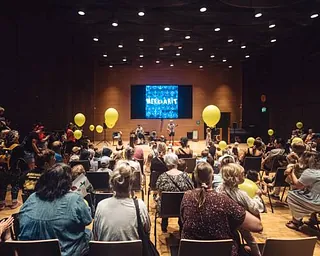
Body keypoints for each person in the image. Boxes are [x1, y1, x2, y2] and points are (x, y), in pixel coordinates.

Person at [181, 162, 263, 256]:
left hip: (191, 252)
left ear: (195, 178)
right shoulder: (223, 200)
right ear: (212, 177)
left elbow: (183, 219)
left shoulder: (186, 196)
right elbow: (258, 226)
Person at [19, 164, 92, 256]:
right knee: (88, 233)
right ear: (67, 182)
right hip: (66, 252)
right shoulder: (74, 198)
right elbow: (87, 220)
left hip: (31, 251)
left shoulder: (32, 198)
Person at [93, 161, 150, 241]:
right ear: (131, 184)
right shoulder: (140, 206)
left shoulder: (101, 205)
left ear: (112, 184)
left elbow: (96, 234)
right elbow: (147, 231)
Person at [218, 163, 264, 256]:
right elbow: (255, 208)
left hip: (226, 220)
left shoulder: (219, 188)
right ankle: (257, 254)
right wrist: (257, 197)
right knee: (250, 239)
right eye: (242, 174)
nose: (245, 176)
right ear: (235, 178)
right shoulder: (241, 194)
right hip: (240, 221)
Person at [156, 153, 194, 232]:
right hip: (183, 208)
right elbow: (191, 190)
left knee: (163, 200)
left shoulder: (162, 177)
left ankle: (164, 225)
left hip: (165, 209)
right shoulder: (186, 176)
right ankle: (181, 225)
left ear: (167, 164)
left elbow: (159, 193)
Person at [285, 152, 320, 230]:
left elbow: (298, 185)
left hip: (316, 202)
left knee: (291, 195)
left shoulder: (310, 172)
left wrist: (292, 173)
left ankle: (296, 222)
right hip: (317, 199)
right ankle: (313, 219)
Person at [0, 130, 23, 210]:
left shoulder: (2, 145)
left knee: (2, 186)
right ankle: (14, 202)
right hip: (14, 169)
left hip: (2, 169)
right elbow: (22, 157)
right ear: (15, 137)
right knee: (15, 185)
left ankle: (2, 203)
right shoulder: (18, 147)